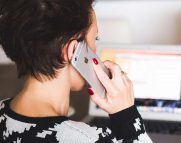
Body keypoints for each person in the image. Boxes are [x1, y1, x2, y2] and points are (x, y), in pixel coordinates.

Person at [0, 0, 152, 142]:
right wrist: (127, 115)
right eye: (95, 39)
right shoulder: (91, 138)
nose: (95, 50)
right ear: (74, 51)